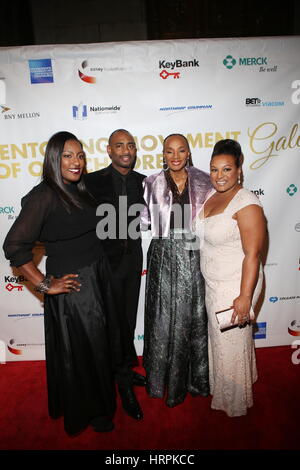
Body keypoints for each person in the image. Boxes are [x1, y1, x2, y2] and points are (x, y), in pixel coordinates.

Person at [3, 131, 127, 435]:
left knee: (98, 348)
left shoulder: (80, 189)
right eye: (68, 156)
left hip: (96, 277)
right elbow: (14, 246)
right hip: (76, 288)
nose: (76, 162)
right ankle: (92, 411)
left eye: (80, 155)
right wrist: (45, 284)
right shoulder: (44, 194)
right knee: (86, 352)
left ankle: (98, 402)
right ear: (54, 159)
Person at [141, 133, 213, 407]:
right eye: (169, 151)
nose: (175, 156)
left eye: (180, 150)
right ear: (163, 154)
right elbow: (146, 222)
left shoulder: (205, 181)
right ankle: (161, 380)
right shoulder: (151, 183)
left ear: (188, 153)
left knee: (191, 316)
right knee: (162, 316)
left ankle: (192, 380)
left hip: (195, 254)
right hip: (162, 256)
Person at [197, 139, 266, 417]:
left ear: (239, 169)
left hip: (237, 283)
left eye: (226, 169)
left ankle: (235, 403)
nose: (219, 176)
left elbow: (252, 255)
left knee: (231, 342)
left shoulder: (247, 203)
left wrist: (245, 297)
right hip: (215, 281)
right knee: (225, 341)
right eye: (214, 170)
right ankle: (232, 385)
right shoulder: (212, 196)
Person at [84, 129, 146, 420]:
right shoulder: (92, 182)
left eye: (130, 145)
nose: (126, 150)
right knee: (111, 324)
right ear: (108, 150)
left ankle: (123, 372)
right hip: (103, 266)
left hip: (133, 263)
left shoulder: (144, 183)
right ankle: (121, 381)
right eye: (119, 145)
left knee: (128, 320)